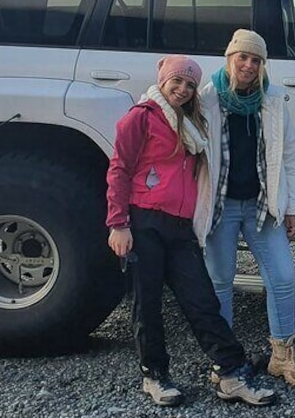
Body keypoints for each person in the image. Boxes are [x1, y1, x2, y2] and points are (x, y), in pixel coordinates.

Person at [105, 55, 277, 407]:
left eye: (189, 85)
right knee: (146, 302)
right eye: (177, 82)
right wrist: (118, 223)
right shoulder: (140, 118)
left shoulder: (191, 122)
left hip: (180, 226)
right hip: (145, 220)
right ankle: (154, 375)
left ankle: (230, 373)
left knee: (202, 300)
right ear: (163, 81)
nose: (182, 90)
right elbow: (119, 169)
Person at [200, 29, 295, 387]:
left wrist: (292, 207)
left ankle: (282, 356)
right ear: (229, 58)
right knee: (219, 282)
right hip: (221, 206)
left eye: (255, 60)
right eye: (242, 57)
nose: (248, 65)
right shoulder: (206, 99)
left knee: (282, 277)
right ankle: (225, 360)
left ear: (263, 65)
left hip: (261, 206)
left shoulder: (274, 100)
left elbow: (291, 156)